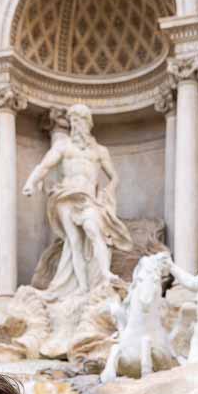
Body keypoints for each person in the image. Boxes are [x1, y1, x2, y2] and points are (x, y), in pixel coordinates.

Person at [22, 104, 132, 296]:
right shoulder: (63, 146)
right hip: (66, 195)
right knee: (73, 242)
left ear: (87, 123)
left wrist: (108, 192)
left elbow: (114, 176)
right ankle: (82, 286)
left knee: (93, 228)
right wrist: (31, 182)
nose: (75, 125)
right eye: (72, 121)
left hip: (89, 198)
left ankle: (105, 273)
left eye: (79, 121)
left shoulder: (100, 150)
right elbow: (44, 166)